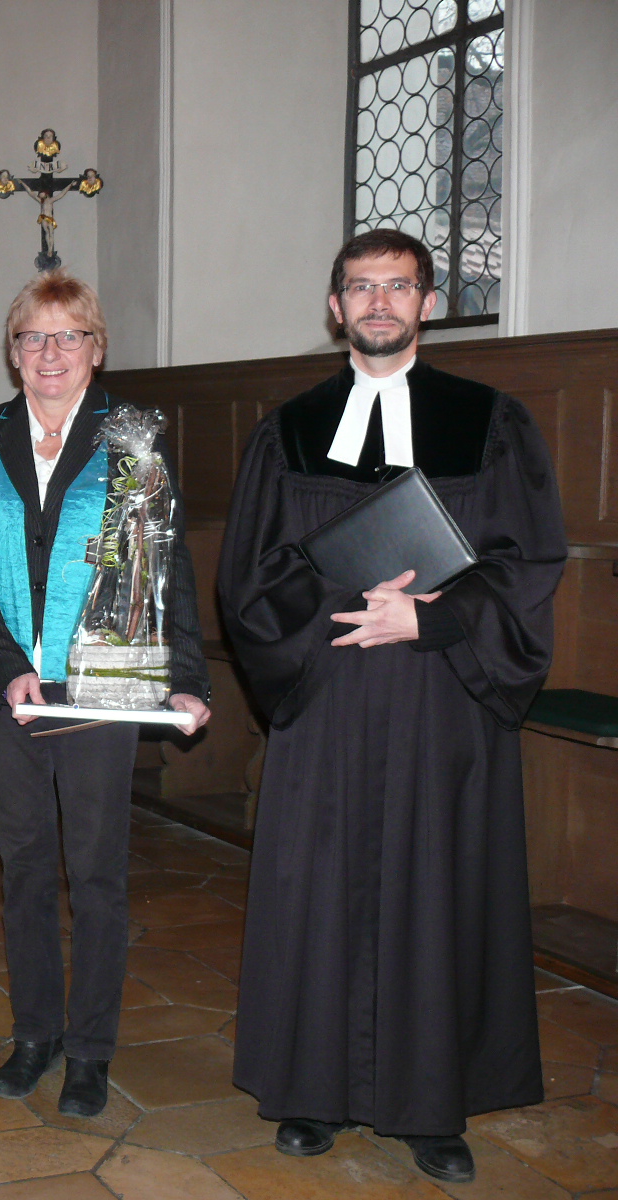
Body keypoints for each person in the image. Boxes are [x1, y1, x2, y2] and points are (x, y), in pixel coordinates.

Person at [218, 228, 566, 1184]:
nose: (379, 304)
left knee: (439, 885)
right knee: (317, 888)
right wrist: (339, 610)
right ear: (334, 305)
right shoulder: (287, 431)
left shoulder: (490, 423)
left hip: (440, 695)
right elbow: (247, 579)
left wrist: (435, 620)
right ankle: (311, 1092)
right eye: (361, 288)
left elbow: (527, 565)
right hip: (327, 688)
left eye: (398, 288)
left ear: (429, 302)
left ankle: (433, 1106)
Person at [0, 270, 209, 1115]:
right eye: (33, 337)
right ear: (12, 352)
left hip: (102, 689)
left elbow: (166, 568)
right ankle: (35, 1037)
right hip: (12, 690)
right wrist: (2, 666)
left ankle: (90, 1048)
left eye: (68, 337)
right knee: (23, 867)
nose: (50, 353)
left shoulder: (131, 440)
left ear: (97, 348)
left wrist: (190, 681)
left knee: (96, 874)